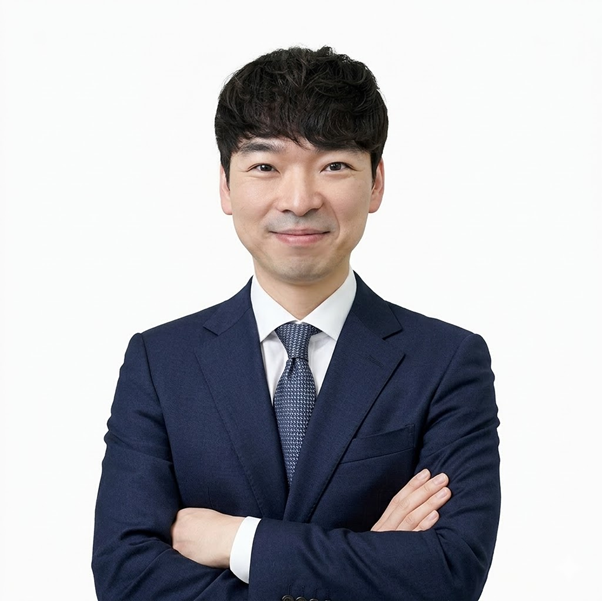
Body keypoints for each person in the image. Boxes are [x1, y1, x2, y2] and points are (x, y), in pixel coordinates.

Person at [92, 46, 500, 601]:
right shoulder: (161, 363)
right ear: (225, 185)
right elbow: (126, 578)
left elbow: (449, 573)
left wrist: (239, 541)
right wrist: (369, 561)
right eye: (265, 166)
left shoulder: (446, 363)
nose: (300, 200)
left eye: (334, 166)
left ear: (376, 183)